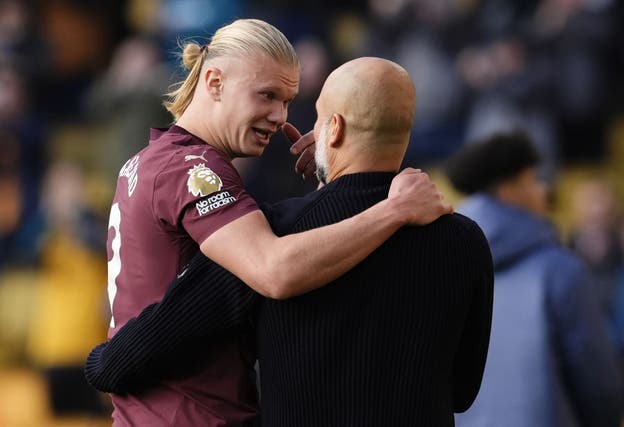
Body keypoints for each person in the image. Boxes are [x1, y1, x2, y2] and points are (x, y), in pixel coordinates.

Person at [86, 57, 493, 426]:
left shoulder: (274, 231)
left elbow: (136, 352)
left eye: (316, 118)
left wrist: (99, 362)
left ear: (332, 129)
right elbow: (462, 391)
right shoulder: (465, 239)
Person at [443, 132, 623, 427]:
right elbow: (599, 388)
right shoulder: (560, 270)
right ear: (510, 190)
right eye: (535, 179)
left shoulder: (446, 267)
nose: (544, 190)